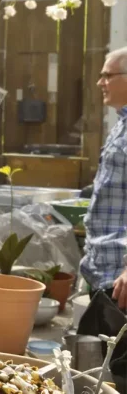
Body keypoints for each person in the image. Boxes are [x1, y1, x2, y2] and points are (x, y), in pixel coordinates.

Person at [81, 45, 127, 309]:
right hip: (103, 271)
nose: (101, 82)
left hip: (121, 279)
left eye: (108, 75)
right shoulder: (121, 122)